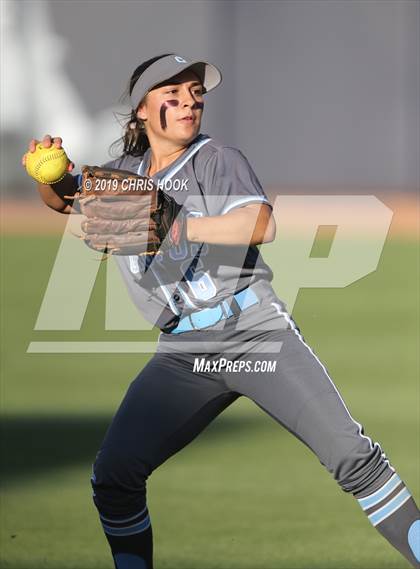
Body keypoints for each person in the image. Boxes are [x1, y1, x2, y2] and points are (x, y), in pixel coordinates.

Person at [23, 53, 419, 569]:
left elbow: (260, 225)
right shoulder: (122, 177)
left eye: (196, 92)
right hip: (183, 354)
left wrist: (178, 226)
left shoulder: (216, 160)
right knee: (114, 476)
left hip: (254, 336)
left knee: (354, 461)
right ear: (142, 110)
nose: (189, 100)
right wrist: (46, 172)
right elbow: (66, 199)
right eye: (173, 93)